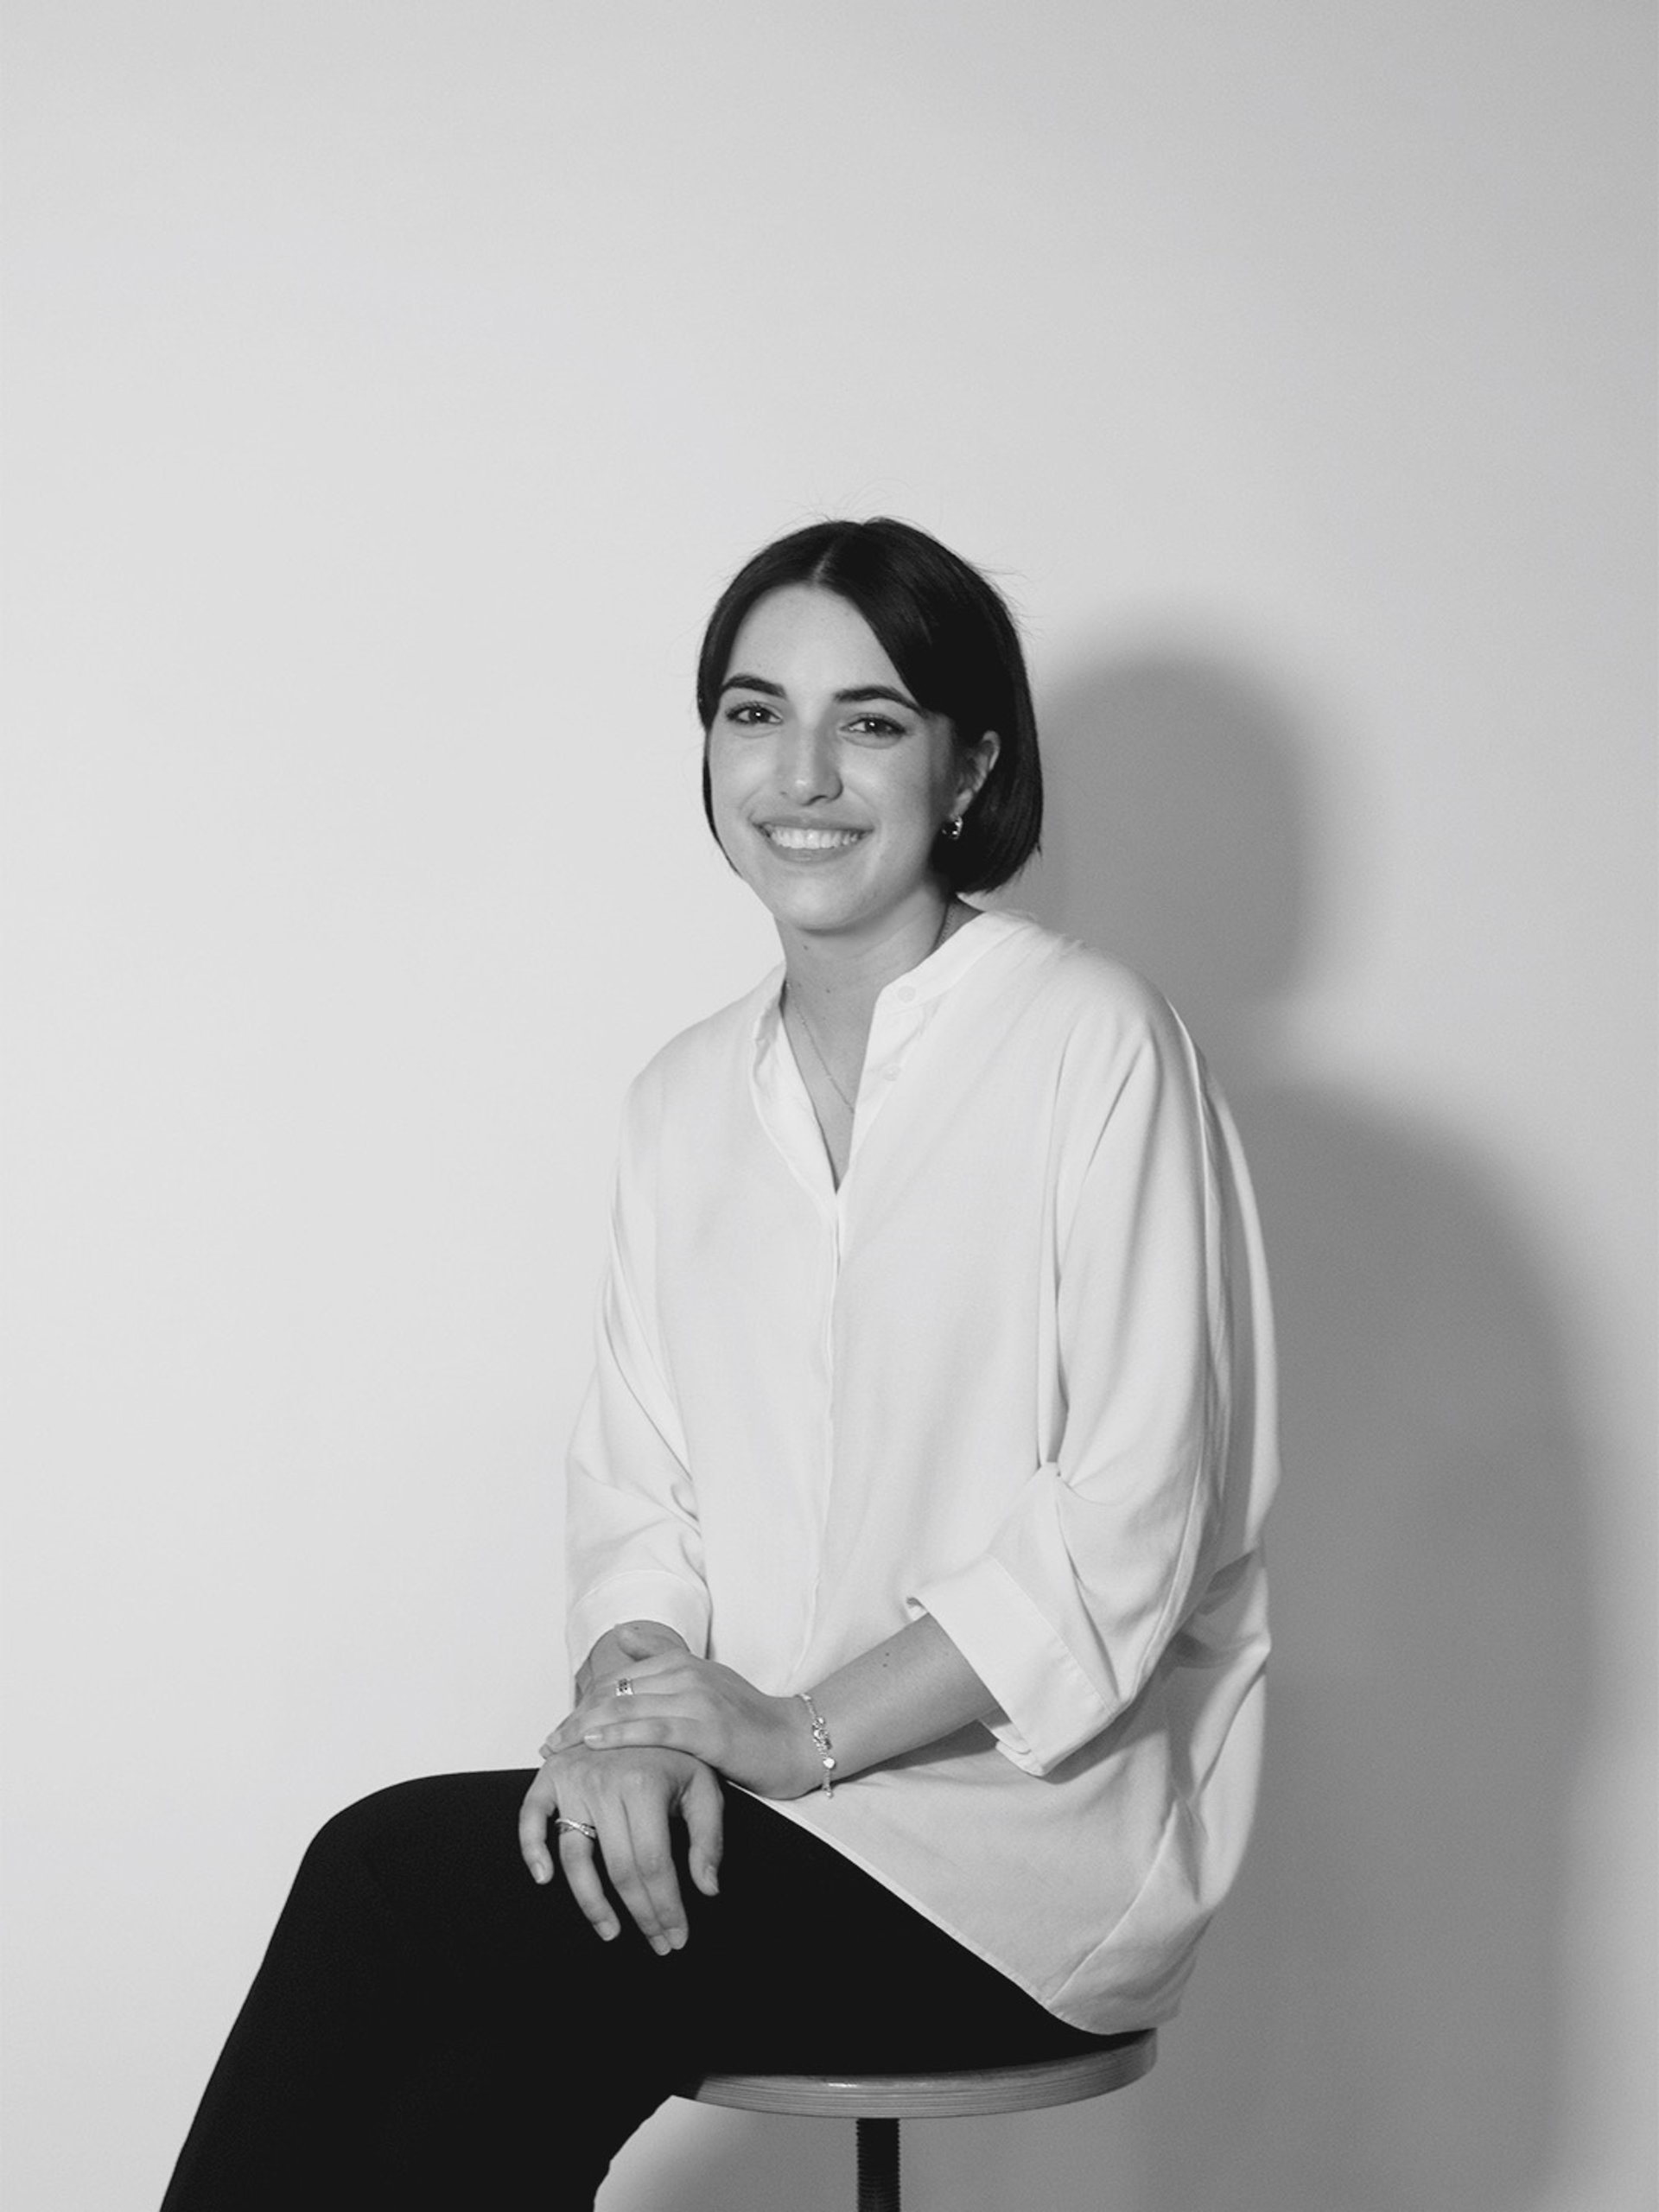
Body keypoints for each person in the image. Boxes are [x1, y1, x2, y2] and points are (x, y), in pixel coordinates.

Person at [160, 518, 1277, 2209]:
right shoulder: (681, 1101)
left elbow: (1128, 1524)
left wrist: (790, 1731)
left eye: (871, 720)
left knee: (386, 1879)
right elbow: (641, 1499)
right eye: (756, 713)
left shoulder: (1090, 1044)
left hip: (1021, 1859)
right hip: (747, 1818)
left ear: (971, 764)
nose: (801, 772)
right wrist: (634, 1728)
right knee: (467, 2105)